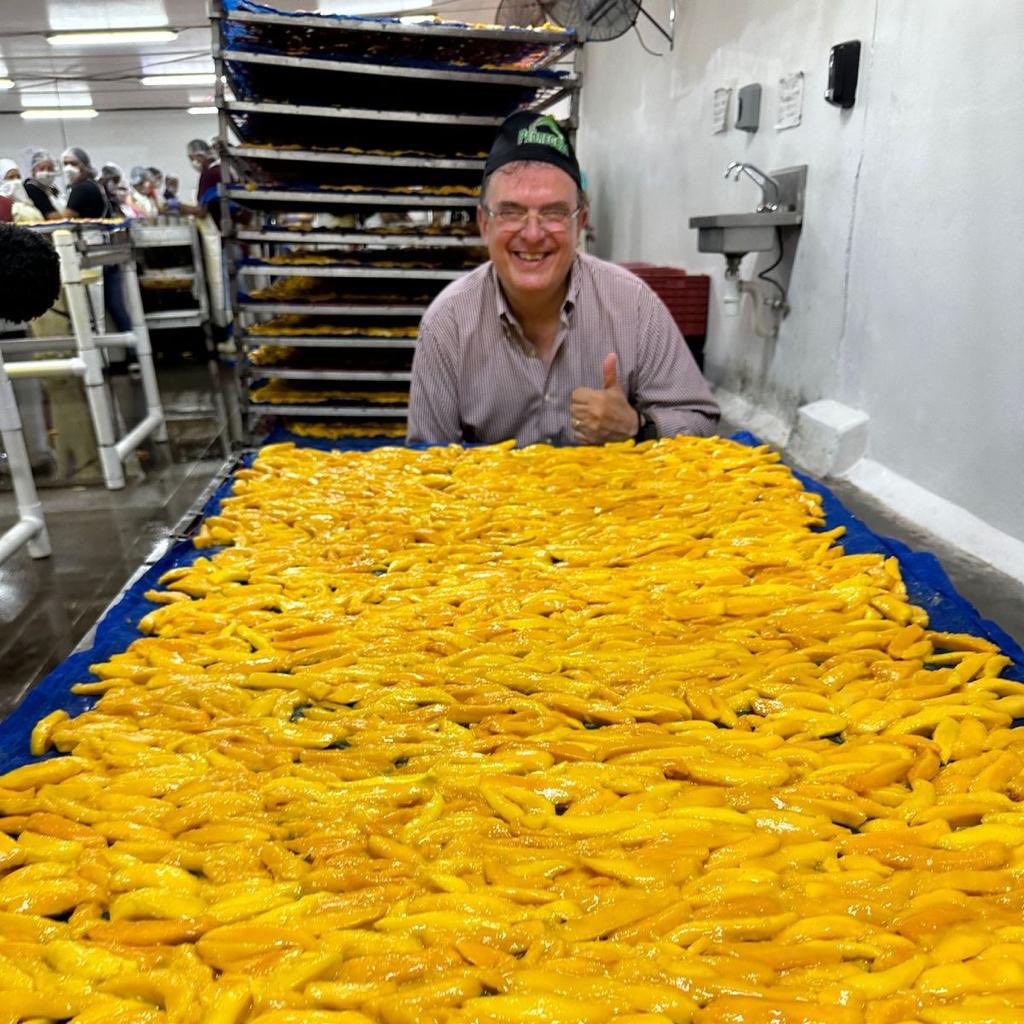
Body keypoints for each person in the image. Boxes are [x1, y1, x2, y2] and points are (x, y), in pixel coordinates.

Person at [407, 111, 719, 447]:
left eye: (553, 212)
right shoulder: (447, 324)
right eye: (511, 212)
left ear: (579, 222)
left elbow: (702, 423)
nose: (532, 234)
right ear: (484, 224)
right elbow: (427, 459)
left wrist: (639, 427)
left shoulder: (634, 306)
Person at [52, 147, 109, 220]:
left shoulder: (82, 188)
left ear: (85, 165)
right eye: (65, 164)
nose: (68, 168)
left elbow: (66, 220)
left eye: (73, 164)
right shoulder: (93, 184)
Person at [177, 139, 222, 228]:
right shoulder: (219, 170)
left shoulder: (209, 175)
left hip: (217, 225)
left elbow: (202, 211)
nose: (192, 162)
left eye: (191, 158)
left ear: (200, 156)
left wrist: (179, 207)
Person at [23, 151, 61, 220]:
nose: (46, 172)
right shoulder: (31, 188)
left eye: (50, 169)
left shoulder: (52, 189)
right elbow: (53, 216)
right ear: (33, 171)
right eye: (41, 169)